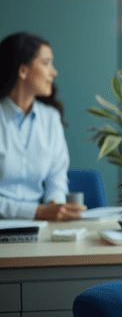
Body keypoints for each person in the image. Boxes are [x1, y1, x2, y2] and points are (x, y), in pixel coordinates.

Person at [0, 32, 85, 221]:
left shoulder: (50, 118)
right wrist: (37, 212)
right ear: (23, 70)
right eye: (46, 63)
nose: (53, 72)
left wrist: (54, 204)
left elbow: (57, 176)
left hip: (39, 225)